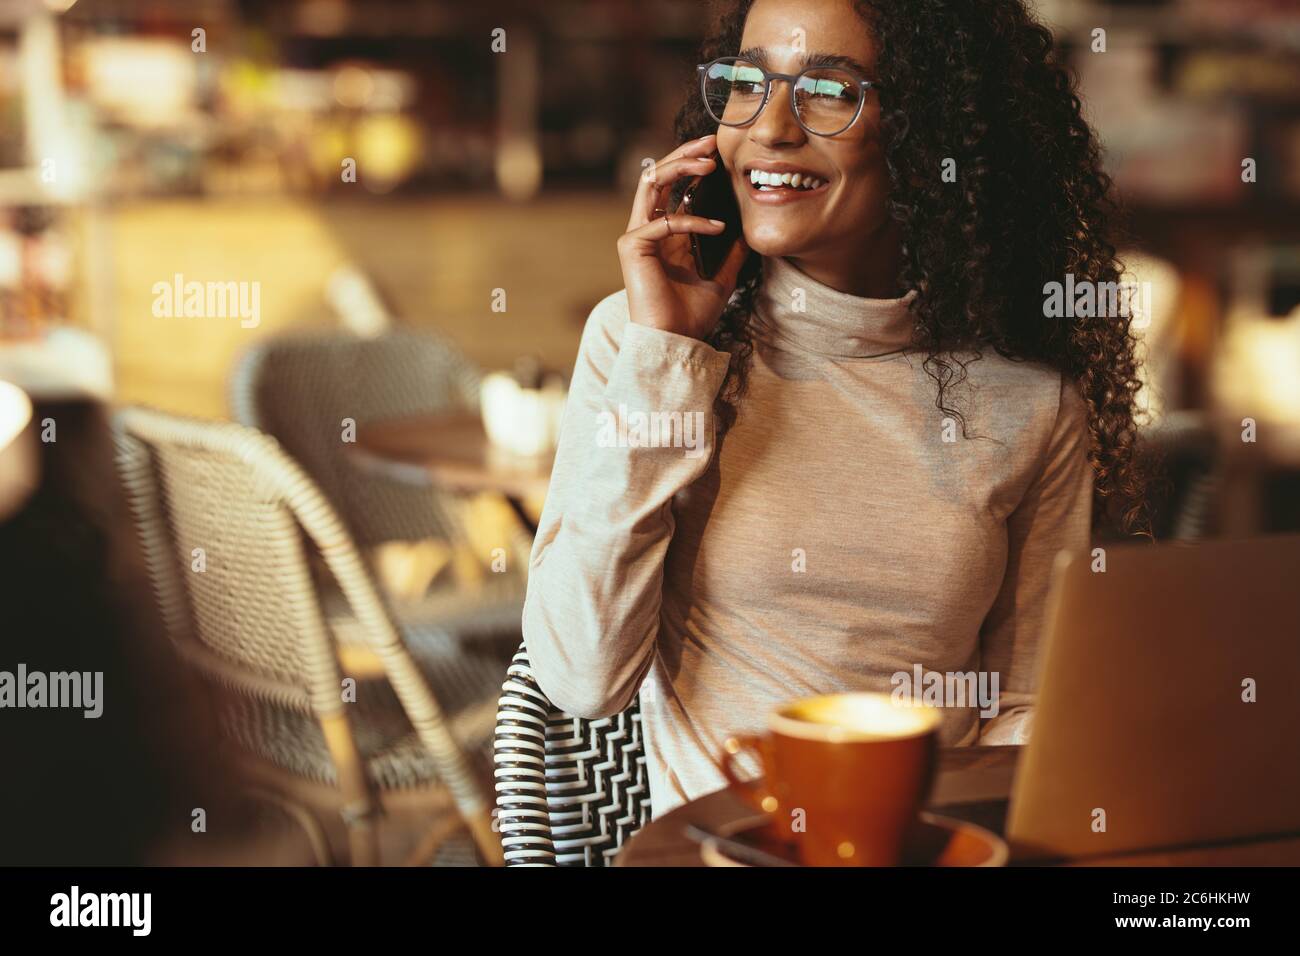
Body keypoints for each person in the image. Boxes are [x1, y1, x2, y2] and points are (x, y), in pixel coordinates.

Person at [523, 0, 1149, 817]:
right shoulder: (643, 343)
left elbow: (1024, 706)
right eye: (748, 82)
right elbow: (581, 677)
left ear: (930, 132)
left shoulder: (1033, 400)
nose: (771, 127)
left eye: (829, 91)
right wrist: (667, 358)